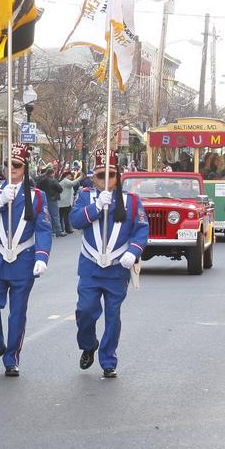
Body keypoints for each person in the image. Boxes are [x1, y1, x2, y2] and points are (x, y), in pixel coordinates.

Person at [69, 149, 149, 378]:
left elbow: (141, 229)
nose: (105, 180)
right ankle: (88, 345)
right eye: (100, 175)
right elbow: (74, 221)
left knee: (113, 316)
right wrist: (95, 208)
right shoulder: (85, 196)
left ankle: (108, 360)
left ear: (118, 176)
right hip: (91, 266)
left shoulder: (131, 201)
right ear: (93, 176)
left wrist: (133, 252)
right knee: (85, 310)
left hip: (117, 268)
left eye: (110, 175)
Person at [0, 143, 52, 377]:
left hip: (23, 260)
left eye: (17, 165)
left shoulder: (37, 196)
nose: (12, 169)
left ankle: (11, 358)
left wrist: (42, 256)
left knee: (17, 313)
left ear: (25, 168)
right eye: (9, 164)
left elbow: (44, 229)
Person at [37, 167, 64, 238]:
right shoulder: (53, 181)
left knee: (47, 216)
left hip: (45, 199)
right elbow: (60, 189)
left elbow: (37, 185)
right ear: (52, 173)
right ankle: (59, 231)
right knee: (55, 215)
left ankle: (51, 231)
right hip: (53, 199)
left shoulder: (42, 181)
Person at [59, 169, 81, 234]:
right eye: (70, 175)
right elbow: (73, 183)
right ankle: (67, 229)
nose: (71, 176)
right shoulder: (66, 181)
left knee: (62, 216)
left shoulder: (64, 181)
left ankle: (63, 229)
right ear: (67, 175)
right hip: (65, 202)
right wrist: (80, 177)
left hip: (63, 201)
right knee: (66, 216)